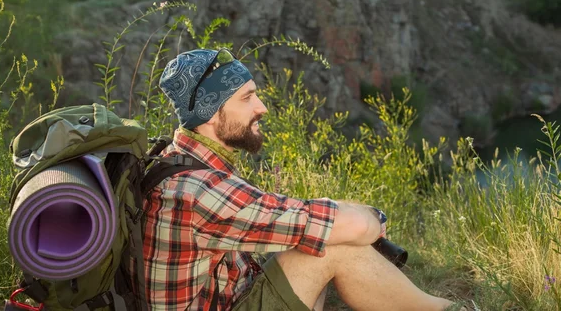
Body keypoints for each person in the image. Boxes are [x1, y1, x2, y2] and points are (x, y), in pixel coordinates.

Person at [142, 48, 455, 311]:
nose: (261, 108)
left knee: (321, 233)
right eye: (247, 98)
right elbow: (358, 227)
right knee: (334, 245)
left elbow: (274, 213)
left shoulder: (179, 159)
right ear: (211, 113)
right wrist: (370, 219)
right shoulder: (199, 189)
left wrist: (337, 214)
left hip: (226, 298)